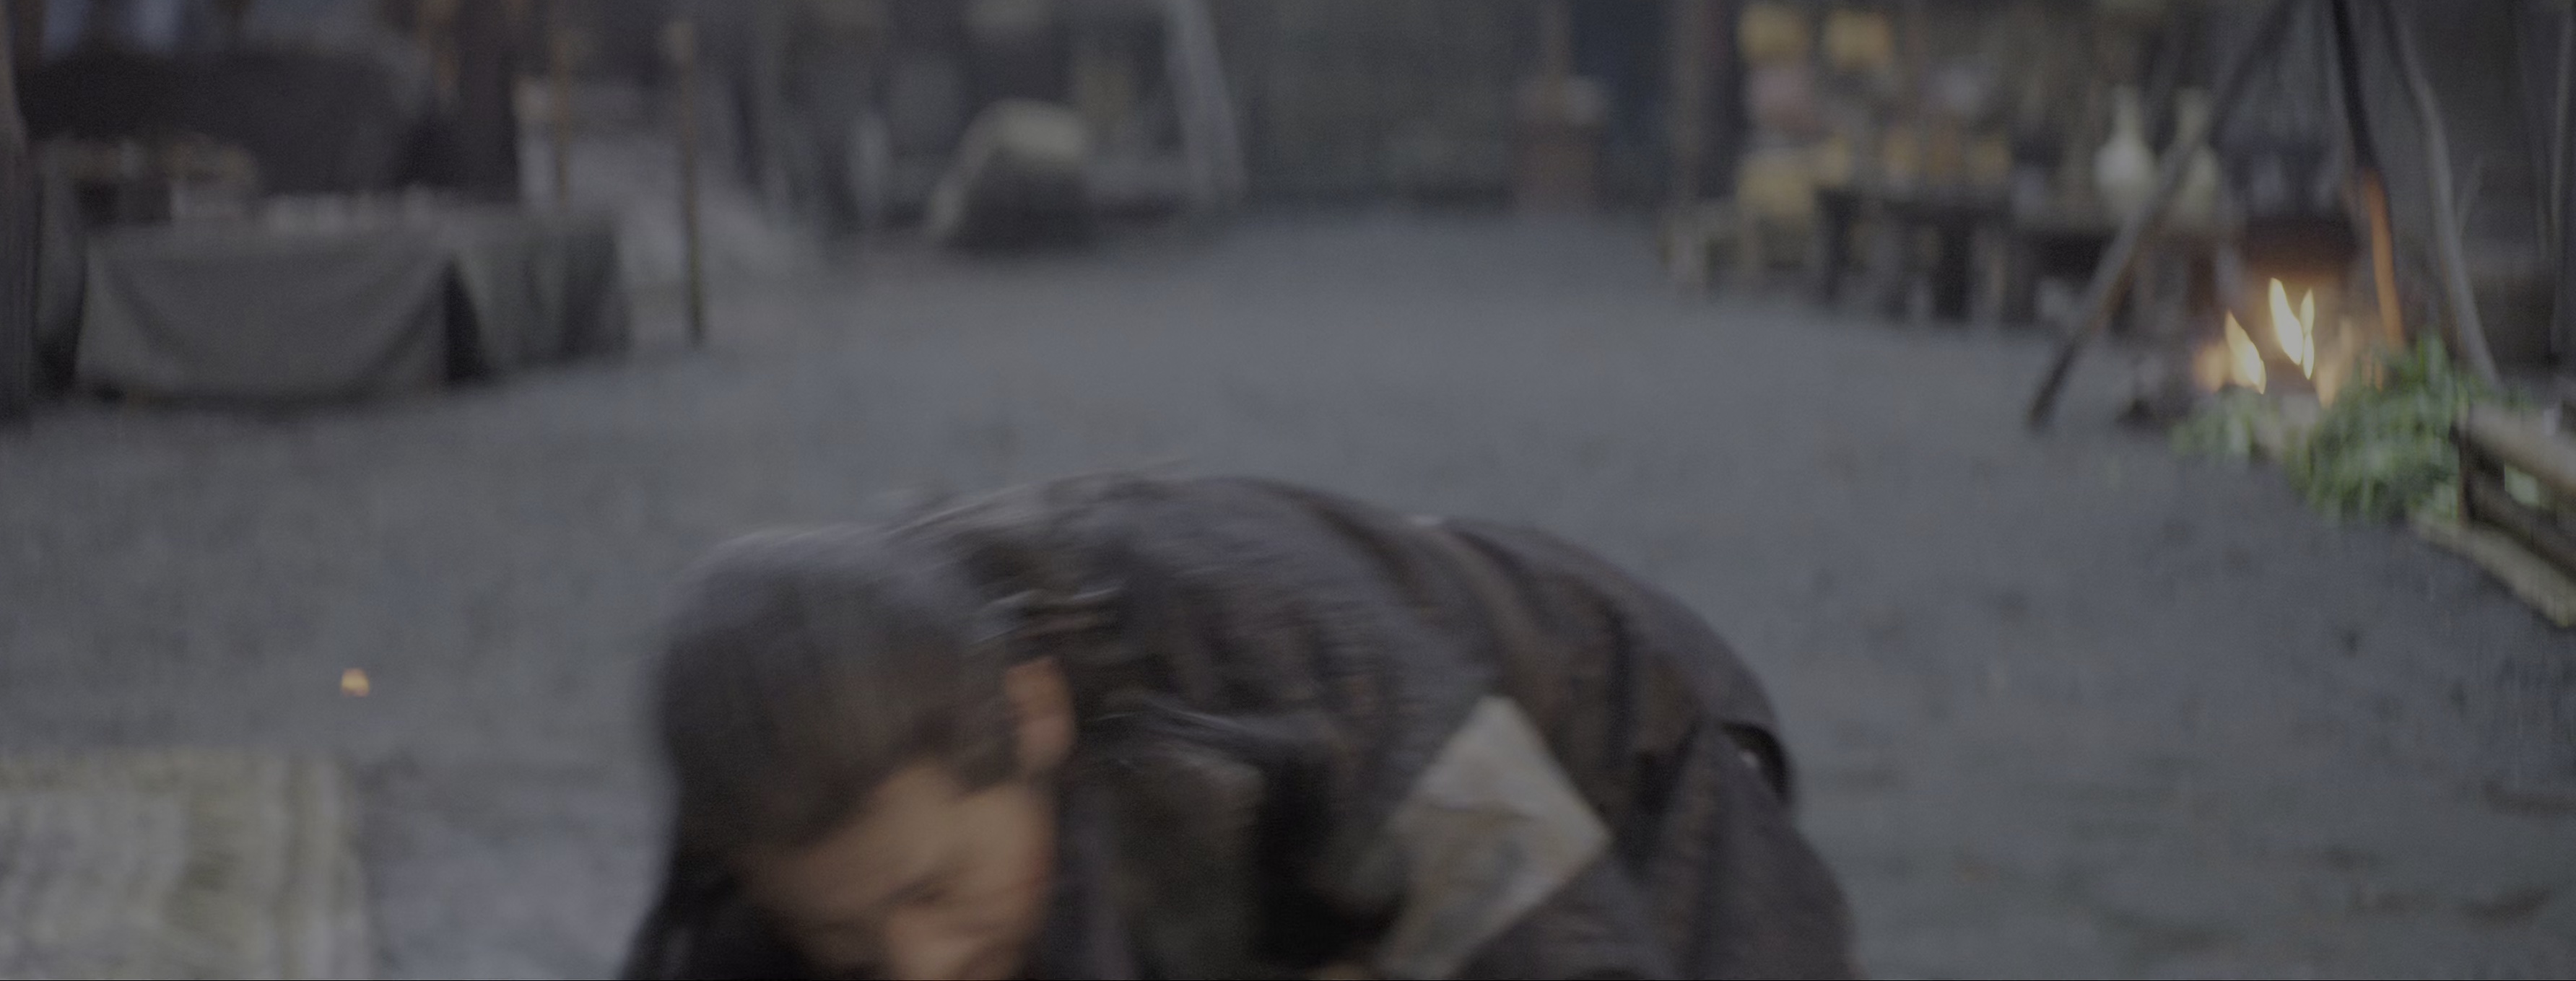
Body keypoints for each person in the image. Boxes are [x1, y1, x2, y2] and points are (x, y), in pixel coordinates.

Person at [621, 474, 1856, 980]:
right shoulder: (765, 794)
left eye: (936, 890)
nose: (915, 969)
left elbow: (1560, 934)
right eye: (845, 936)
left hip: (1624, 776)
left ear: (1033, 717)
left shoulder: (1278, 648)